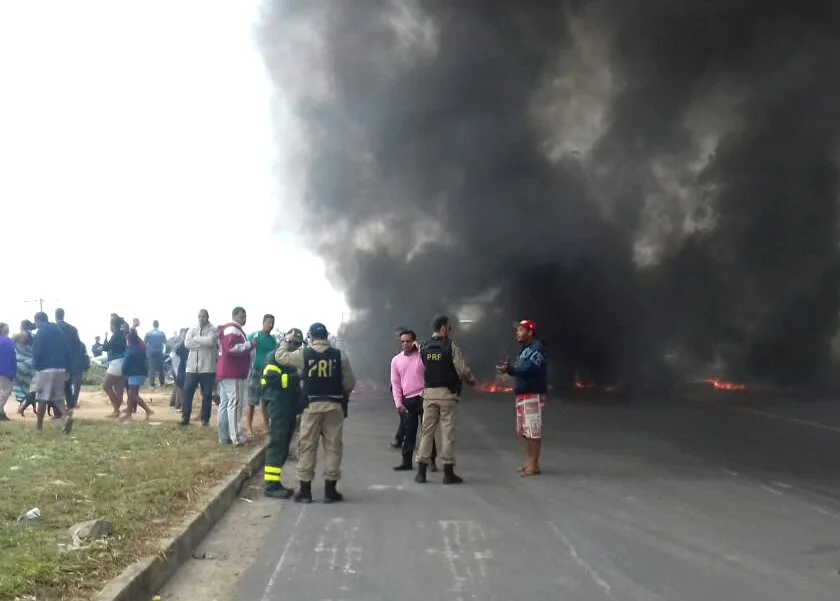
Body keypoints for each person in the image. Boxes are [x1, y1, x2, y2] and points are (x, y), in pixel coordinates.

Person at [275, 322, 355, 504]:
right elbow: (350, 382)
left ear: (310, 337)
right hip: (334, 406)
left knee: (307, 447)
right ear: (326, 336)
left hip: (311, 406)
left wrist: (287, 340)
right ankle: (330, 490)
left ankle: (305, 492)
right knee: (333, 447)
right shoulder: (339, 355)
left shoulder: (305, 353)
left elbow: (280, 356)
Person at [414, 315, 476, 485]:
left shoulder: (425, 347)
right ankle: (448, 473)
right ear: (443, 328)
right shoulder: (451, 346)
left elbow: (422, 358)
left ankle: (421, 472)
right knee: (447, 433)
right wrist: (471, 380)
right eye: (449, 328)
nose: (450, 331)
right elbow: (461, 369)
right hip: (447, 395)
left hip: (429, 394)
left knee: (427, 432)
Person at [497, 320, 547, 477]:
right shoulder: (524, 350)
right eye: (517, 330)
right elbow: (519, 370)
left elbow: (529, 368)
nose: (517, 332)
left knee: (533, 431)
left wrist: (511, 369)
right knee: (525, 431)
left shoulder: (537, 348)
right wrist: (509, 370)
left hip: (532, 393)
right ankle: (529, 462)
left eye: (521, 330)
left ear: (530, 332)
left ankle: (534, 465)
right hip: (523, 394)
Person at [261, 328, 305, 499]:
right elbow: (270, 380)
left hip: (288, 406)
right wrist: (296, 378)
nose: (294, 347)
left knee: (284, 445)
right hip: (278, 404)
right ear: (285, 341)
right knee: (277, 444)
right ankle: (270, 486)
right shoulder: (274, 357)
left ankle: (275, 482)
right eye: (292, 343)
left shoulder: (291, 359)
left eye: (298, 345)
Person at [390, 329, 437, 471]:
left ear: (414, 341)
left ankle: (431, 461)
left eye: (408, 341)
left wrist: (422, 349)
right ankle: (406, 462)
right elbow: (395, 383)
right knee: (409, 432)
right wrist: (398, 403)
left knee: (427, 432)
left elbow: (432, 372)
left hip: (423, 397)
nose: (405, 344)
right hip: (407, 400)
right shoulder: (396, 360)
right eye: (403, 341)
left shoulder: (423, 356)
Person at [216, 307, 258, 445]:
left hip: (225, 372)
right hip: (233, 372)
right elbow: (231, 349)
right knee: (234, 404)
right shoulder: (233, 330)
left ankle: (224, 436)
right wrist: (249, 345)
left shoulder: (229, 329)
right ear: (235, 316)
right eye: (242, 316)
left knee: (225, 405)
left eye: (245, 316)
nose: (244, 319)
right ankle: (236, 437)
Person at [32, 312, 73, 433]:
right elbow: (68, 350)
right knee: (58, 397)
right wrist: (67, 368)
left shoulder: (41, 332)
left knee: (42, 398)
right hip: (60, 368)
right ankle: (66, 417)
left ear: (38, 321)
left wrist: (35, 365)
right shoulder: (60, 332)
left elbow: (37, 351)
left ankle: (39, 427)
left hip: (45, 369)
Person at [182, 309, 218, 427]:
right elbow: (187, 344)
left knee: (207, 394)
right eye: (199, 316)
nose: (201, 319)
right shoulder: (193, 329)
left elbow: (210, 342)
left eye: (203, 316)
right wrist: (202, 343)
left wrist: (196, 339)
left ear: (207, 317)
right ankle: (185, 417)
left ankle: (205, 419)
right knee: (187, 392)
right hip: (191, 367)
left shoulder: (213, 329)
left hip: (207, 368)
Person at [245, 314, 277, 438]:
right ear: (263, 323)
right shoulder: (255, 336)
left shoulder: (273, 340)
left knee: (266, 402)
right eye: (268, 322)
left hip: (268, 374)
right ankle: (249, 428)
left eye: (272, 323)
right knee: (252, 402)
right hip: (255, 372)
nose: (271, 325)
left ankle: (266, 427)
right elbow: (245, 347)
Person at [55, 308, 86, 414]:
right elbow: (78, 345)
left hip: (60, 360)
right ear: (63, 315)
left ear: (55, 316)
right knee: (73, 384)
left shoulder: (54, 328)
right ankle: (72, 404)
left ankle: (60, 408)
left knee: (61, 385)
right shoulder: (73, 329)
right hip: (73, 360)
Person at [123, 329, 154, 420]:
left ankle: (148, 410)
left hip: (134, 374)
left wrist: (124, 372)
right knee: (132, 394)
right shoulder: (140, 348)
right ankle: (128, 414)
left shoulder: (132, 350)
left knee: (132, 394)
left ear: (130, 340)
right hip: (140, 373)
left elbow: (126, 362)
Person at [102, 315, 128, 418]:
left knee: (106, 386)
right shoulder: (123, 335)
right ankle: (116, 410)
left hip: (116, 363)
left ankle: (116, 410)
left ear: (113, 326)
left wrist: (105, 338)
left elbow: (105, 347)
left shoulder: (116, 335)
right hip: (123, 362)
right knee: (119, 388)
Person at [13, 328, 37, 417]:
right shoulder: (33, 339)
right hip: (29, 368)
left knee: (21, 388)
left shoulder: (16, 342)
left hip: (20, 367)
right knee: (27, 389)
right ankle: (22, 405)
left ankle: (22, 405)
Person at [144, 320, 167, 389]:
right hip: (159, 351)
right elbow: (165, 342)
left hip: (151, 352)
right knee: (161, 368)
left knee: (152, 368)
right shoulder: (161, 333)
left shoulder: (148, 333)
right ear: (158, 325)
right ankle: (162, 383)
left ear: (153, 325)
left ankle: (152, 384)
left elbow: (145, 342)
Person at [0, 323, 15, 421]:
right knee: (6, 391)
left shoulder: (9, 341)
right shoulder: (9, 341)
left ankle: (1, 412)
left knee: (4, 391)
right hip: (5, 370)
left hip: (5, 369)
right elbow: (12, 357)